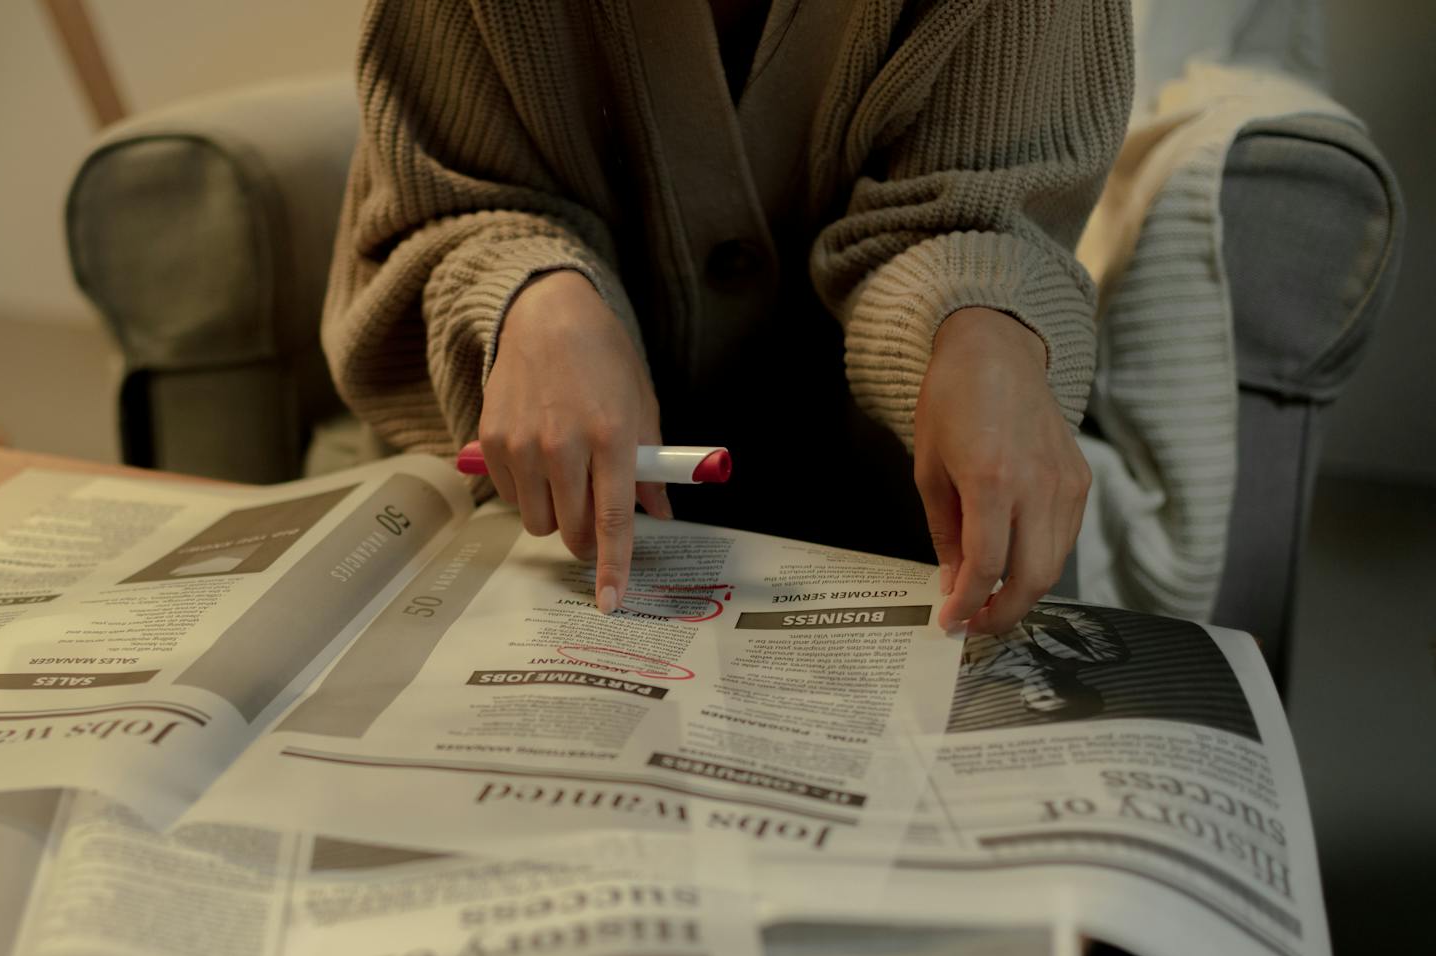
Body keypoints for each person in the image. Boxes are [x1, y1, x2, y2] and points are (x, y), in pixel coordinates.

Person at [322, 0, 1132, 633]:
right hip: (512, 537)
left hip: (893, 561)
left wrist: (985, 326)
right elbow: (431, 201)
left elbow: (989, 208)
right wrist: (531, 297)